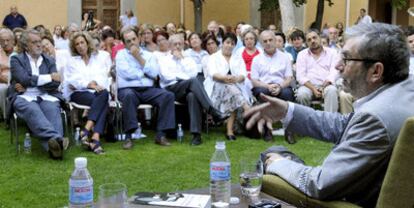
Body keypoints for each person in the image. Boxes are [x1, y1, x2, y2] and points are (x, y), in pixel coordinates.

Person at [244, 22, 414, 207]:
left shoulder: (376, 118)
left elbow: (319, 184)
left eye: (347, 59)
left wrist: (276, 164)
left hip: (345, 199)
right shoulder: (404, 92)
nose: (338, 66)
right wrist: (287, 110)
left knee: (271, 154)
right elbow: (343, 125)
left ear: (376, 71)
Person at [8, 29, 67, 159]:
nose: (39, 45)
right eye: (34, 42)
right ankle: (57, 140)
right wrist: (49, 77)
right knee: (32, 110)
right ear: (25, 45)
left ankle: (54, 150)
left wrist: (31, 81)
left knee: (52, 109)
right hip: (24, 96)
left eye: (39, 41)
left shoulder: (49, 60)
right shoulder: (16, 60)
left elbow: (55, 84)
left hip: (46, 95)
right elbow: (23, 79)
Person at [158, 34, 225, 145]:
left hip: (186, 88)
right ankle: (212, 111)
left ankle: (196, 136)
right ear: (170, 46)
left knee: (192, 96)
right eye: (175, 44)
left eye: (180, 44)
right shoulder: (164, 60)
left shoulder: (187, 59)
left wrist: (182, 61)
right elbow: (166, 77)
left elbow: (193, 73)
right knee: (193, 82)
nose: (178, 47)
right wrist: (184, 77)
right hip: (170, 89)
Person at [116, 26, 176, 148]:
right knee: (129, 96)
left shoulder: (149, 55)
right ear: (124, 43)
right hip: (128, 89)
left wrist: (138, 57)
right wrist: (144, 73)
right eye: (128, 41)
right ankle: (129, 137)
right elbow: (126, 74)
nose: (132, 42)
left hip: (148, 90)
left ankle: (161, 134)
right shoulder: (120, 55)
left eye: (134, 39)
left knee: (167, 96)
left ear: (138, 39)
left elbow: (154, 73)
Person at [63, 31, 111, 154]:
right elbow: (72, 80)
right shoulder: (72, 61)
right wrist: (88, 84)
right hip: (78, 92)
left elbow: (102, 76)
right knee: (103, 101)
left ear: (87, 43)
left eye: (82, 42)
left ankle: (89, 132)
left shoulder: (96, 59)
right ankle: (93, 135)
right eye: (77, 44)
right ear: (74, 47)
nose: (80, 46)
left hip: (95, 92)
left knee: (104, 94)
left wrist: (94, 82)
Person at [204, 32, 252, 140]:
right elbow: (213, 74)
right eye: (227, 42)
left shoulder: (237, 58)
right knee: (230, 88)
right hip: (217, 88)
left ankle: (230, 132)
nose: (229, 45)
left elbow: (243, 75)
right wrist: (224, 78)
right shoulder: (213, 57)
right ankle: (247, 108)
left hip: (234, 89)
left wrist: (236, 79)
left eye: (232, 43)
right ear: (222, 43)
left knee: (231, 93)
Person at [251, 30, 295, 143]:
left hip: (281, 86)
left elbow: (289, 78)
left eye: (270, 40)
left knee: (288, 94)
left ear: (275, 41)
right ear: (261, 44)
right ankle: (267, 131)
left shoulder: (285, 57)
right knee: (262, 93)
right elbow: (254, 80)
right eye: (265, 41)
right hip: (263, 86)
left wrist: (280, 87)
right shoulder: (257, 59)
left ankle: (289, 131)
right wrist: (267, 86)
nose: (268, 43)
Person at [296, 29, 339, 112]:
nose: (312, 41)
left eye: (314, 38)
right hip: (308, 86)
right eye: (309, 40)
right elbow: (300, 76)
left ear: (319, 38)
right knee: (302, 94)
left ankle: (329, 122)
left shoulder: (332, 53)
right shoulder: (302, 55)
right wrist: (313, 89)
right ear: (306, 43)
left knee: (332, 91)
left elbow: (335, 71)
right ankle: (306, 122)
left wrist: (326, 84)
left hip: (327, 85)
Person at [0, 28, 15, 120]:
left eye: (7, 40)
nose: (5, 43)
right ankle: (7, 117)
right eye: (2, 41)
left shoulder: (18, 53)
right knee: (2, 89)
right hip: (3, 82)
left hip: (17, 82)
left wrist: (3, 66)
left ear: (13, 41)